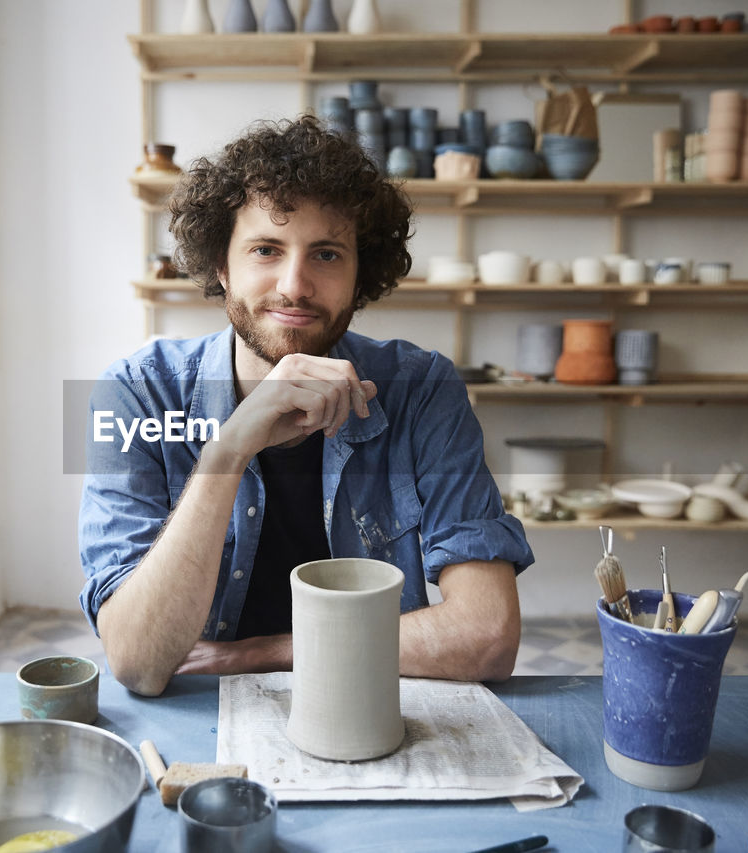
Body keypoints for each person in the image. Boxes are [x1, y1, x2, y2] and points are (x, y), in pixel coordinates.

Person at [79, 115, 533, 696]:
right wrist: (232, 444)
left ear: (359, 273)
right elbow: (139, 662)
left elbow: (488, 637)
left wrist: (259, 655)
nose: (294, 285)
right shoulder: (134, 393)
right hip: (199, 717)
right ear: (222, 265)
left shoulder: (421, 389)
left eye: (326, 254)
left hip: (365, 702)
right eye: (266, 249)